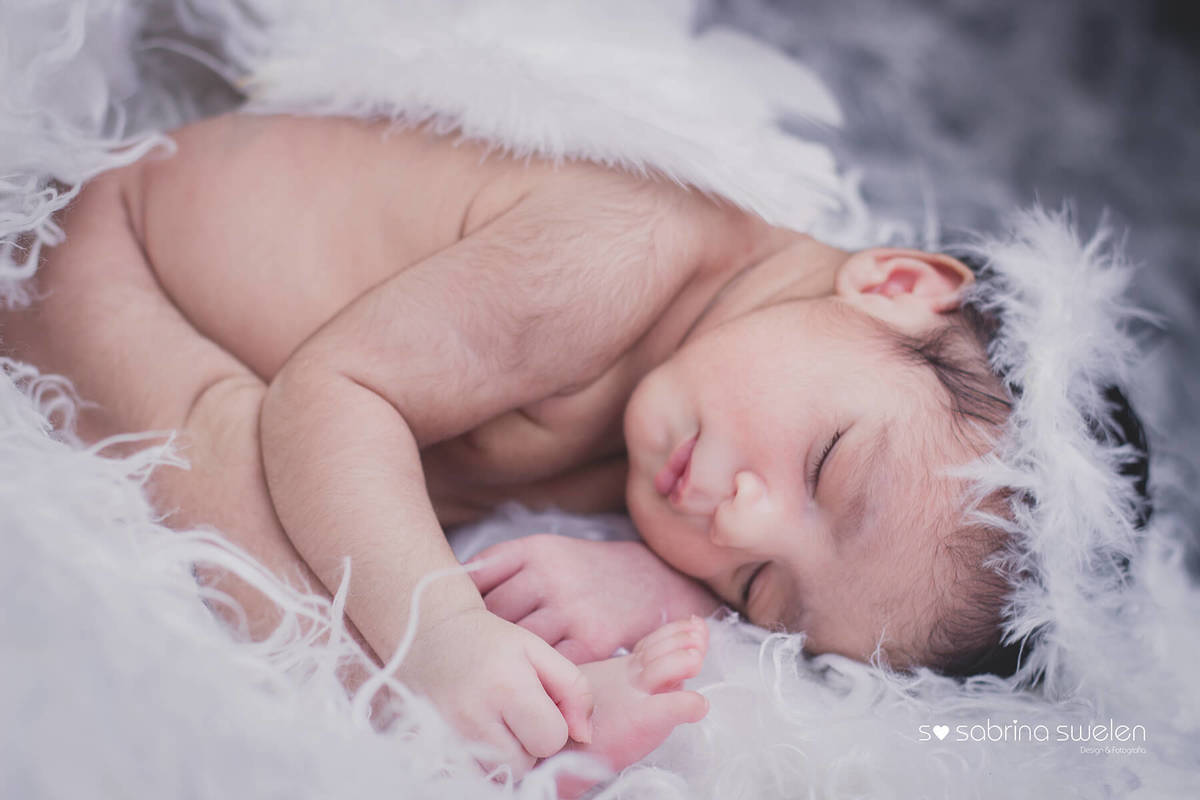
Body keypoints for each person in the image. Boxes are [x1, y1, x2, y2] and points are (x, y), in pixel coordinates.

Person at [0, 111, 1015, 778]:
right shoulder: (617, 253)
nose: (736, 517)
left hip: (232, 346)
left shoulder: (715, 390)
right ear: (895, 287)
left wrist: (663, 586)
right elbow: (330, 397)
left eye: (756, 585)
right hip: (97, 253)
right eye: (827, 464)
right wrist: (442, 636)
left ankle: (524, 716)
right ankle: (469, 731)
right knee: (236, 462)